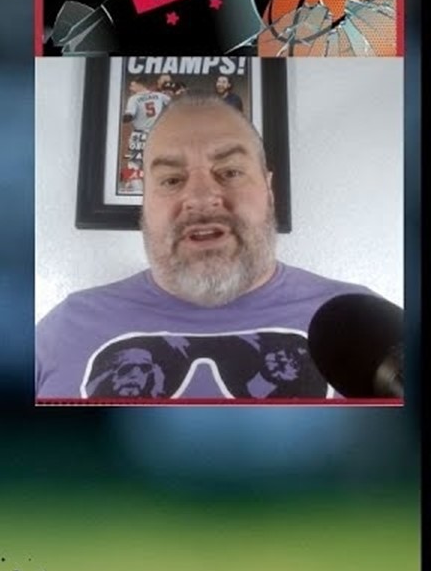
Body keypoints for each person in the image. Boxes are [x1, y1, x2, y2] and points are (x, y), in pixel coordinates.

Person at [37, 94, 378, 400]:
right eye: (171, 180)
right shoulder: (61, 330)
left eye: (229, 172)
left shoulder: (367, 323)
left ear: (269, 190)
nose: (200, 198)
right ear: (144, 202)